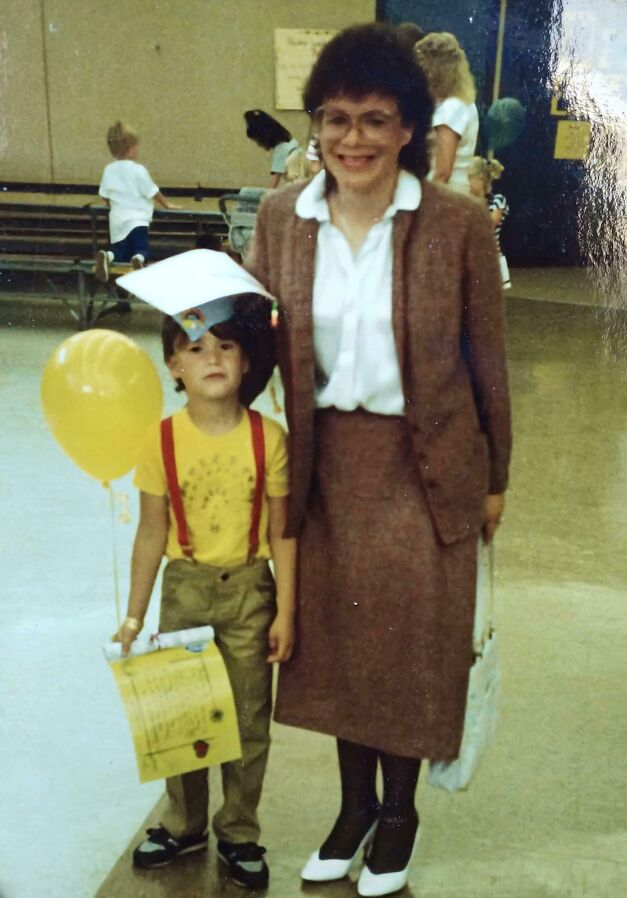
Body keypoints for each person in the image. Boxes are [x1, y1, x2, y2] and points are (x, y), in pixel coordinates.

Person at [246, 22, 511, 897]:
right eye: (335, 119)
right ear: (316, 124)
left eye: (374, 119)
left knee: (409, 653)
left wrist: (497, 478)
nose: (351, 139)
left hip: (425, 463)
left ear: (409, 127)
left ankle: (398, 815)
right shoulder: (284, 219)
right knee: (339, 654)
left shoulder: (456, 225)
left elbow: (487, 361)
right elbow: (252, 337)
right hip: (327, 466)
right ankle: (352, 809)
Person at [113, 251, 296, 891]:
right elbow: (150, 532)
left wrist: (289, 612)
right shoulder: (159, 440)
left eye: (224, 346)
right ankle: (184, 822)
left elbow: (283, 532)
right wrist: (135, 613)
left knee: (248, 721)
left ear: (245, 362)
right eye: (194, 347)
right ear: (173, 365)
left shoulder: (268, 439)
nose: (211, 357)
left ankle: (239, 830)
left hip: (250, 592)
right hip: (184, 592)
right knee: (183, 716)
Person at [96, 121, 179, 283]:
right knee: (141, 247)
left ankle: (108, 256)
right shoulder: (138, 170)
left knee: (119, 251)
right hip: (138, 220)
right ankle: (139, 260)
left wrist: (110, 204)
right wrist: (167, 204)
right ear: (132, 149)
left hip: (117, 220)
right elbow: (152, 191)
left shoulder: (109, 169)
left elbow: (104, 195)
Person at [414, 31, 479, 192]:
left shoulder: (450, 108)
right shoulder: (465, 103)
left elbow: (443, 172)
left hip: (445, 194)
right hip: (457, 192)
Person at [468, 156, 511, 289]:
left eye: (470, 178)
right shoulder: (470, 201)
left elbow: (490, 223)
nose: (467, 183)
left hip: (491, 259)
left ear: (480, 177)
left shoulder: (498, 200)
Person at [244, 109, 300, 188]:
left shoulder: (281, 151)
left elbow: (274, 181)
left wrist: (266, 198)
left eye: (258, 142)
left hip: (295, 189)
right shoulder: (293, 143)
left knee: (245, 192)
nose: (258, 145)